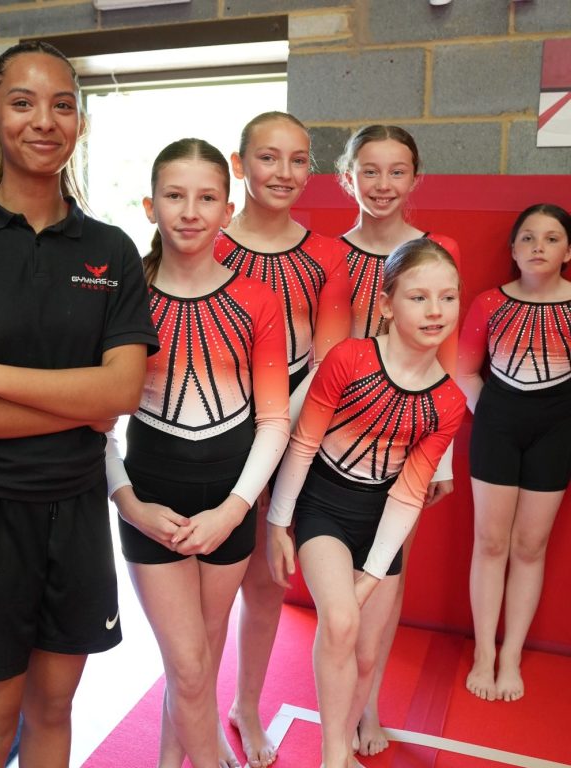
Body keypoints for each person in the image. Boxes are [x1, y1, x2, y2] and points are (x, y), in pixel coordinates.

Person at [0, 40, 158, 768]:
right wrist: (83, 404)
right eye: (22, 103)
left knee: (53, 710)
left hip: (76, 512)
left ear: (79, 121)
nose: (44, 121)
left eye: (62, 105)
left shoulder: (110, 249)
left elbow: (122, 392)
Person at [106, 138, 290, 768]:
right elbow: (96, 421)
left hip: (227, 507)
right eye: (174, 196)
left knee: (201, 662)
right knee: (187, 665)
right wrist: (129, 505)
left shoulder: (257, 300)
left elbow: (274, 422)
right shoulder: (124, 297)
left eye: (207, 197)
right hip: (149, 504)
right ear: (149, 206)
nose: (190, 211)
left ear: (227, 209)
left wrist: (234, 511)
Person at [267, 238, 466, 768]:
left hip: (382, 520)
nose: (435, 311)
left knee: (367, 652)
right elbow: (303, 445)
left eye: (448, 298)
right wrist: (277, 524)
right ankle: (334, 756)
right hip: (324, 506)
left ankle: (344, 741)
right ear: (386, 304)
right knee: (339, 620)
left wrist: (373, 575)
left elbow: (408, 495)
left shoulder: (448, 400)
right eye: (419, 297)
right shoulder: (350, 359)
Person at [214, 111, 351, 768]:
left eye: (299, 159)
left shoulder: (326, 255)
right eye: (269, 158)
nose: (285, 172)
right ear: (239, 164)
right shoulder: (210, 244)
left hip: (293, 429)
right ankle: (198, 710)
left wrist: (275, 428)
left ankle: (246, 705)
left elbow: (329, 361)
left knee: (267, 583)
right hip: (215, 426)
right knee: (210, 588)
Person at [333, 124, 461, 756]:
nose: (383, 184)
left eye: (397, 171)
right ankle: (339, 702)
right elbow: (326, 350)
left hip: (411, 440)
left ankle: (369, 704)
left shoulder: (438, 249)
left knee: (386, 574)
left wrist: (445, 457)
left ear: (416, 178)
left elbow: (448, 353)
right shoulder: (331, 254)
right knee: (340, 581)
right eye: (370, 170)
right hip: (338, 440)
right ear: (348, 176)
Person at [458, 203, 571, 702]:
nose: (538, 247)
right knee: (490, 542)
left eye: (551, 238)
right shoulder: (490, 303)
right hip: (497, 423)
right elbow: (464, 369)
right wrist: (492, 413)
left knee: (530, 546)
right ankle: (485, 653)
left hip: (558, 429)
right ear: (513, 250)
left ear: (568, 251)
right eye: (527, 237)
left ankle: (511, 656)